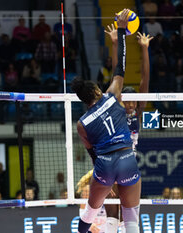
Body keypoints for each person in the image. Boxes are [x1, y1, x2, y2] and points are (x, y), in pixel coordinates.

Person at [75, 9, 141, 233]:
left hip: (104, 164)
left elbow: (92, 152)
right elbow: (120, 67)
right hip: (126, 157)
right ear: (96, 89)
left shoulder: (81, 123)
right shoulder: (112, 96)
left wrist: (103, 178)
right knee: (131, 218)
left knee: (89, 212)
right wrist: (121, 33)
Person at [102, 23, 152, 233]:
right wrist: (115, 43)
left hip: (129, 163)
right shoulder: (116, 109)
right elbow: (117, 75)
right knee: (112, 212)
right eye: (127, 101)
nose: (130, 104)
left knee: (130, 213)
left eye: (133, 101)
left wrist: (144, 49)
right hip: (112, 161)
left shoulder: (138, 111)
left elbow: (145, 79)